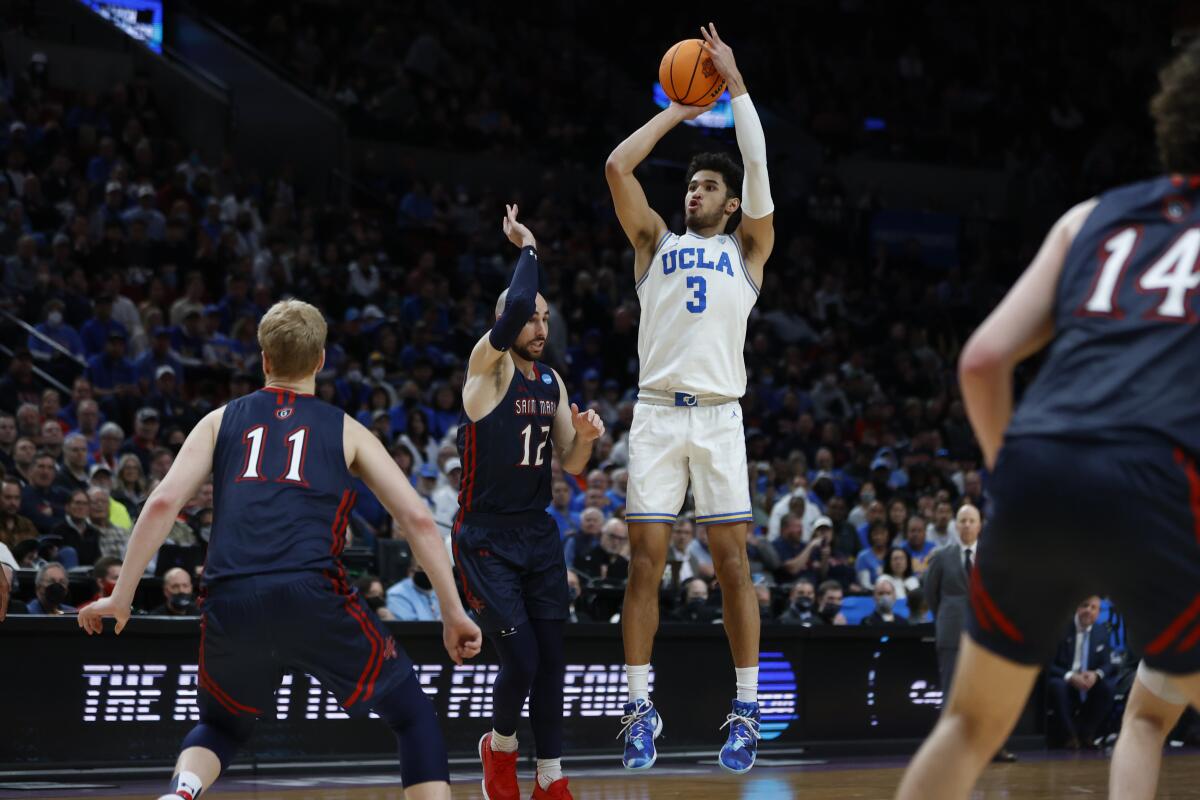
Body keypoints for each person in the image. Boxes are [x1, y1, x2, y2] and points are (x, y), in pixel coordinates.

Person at [893, 39, 1200, 800]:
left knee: (967, 728)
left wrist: (1019, 479)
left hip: (1038, 467)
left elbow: (982, 362)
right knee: (1155, 713)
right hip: (1159, 481)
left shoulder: (1092, 218)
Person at [78, 299, 481, 800]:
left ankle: (182, 791)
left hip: (230, 595)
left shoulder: (219, 420)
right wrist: (453, 611)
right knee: (412, 714)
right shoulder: (346, 428)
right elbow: (418, 518)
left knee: (223, 726)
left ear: (264, 359)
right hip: (313, 592)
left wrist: (121, 597)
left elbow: (161, 503)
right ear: (320, 360)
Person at [606, 23, 774, 774]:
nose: (693, 191)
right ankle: (639, 706)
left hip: (717, 418)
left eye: (708, 186)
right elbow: (617, 164)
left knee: (733, 564)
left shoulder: (747, 253)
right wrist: (681, 104)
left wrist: (734, 87)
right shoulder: (654, 244)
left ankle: (746, 708)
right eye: (690, 185)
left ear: (732, 206)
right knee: (644, 564)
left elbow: (758, 164)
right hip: (652, 415)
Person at [453, 205, 603, 800]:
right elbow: (515, 304)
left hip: (537, 535)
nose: (539, 327)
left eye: (545, 320)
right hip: (485, 537)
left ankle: (550, 777)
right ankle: (500, 749)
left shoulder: (553, 382)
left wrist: (586, 441)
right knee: (520, 660)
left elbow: (568, 463)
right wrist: (530, 246)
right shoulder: (484, 369)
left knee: (553, 661)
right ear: (506, 320)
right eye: (530, 318)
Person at [1045, 596, 1116, 749]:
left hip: (1088, 680)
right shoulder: (1061, 628)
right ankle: (1070, 736)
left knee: (1108, 687)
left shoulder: (1102, 631)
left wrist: (1096, 674)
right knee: (1057, 686)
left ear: (1098, 612)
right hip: (1065, 678)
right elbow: (1047, 663)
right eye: (1085, 606)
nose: (1088, 611)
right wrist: (1070, 676)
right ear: (1077, 608)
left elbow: (1108, 664)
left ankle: (1087, 735)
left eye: (1093, 607)